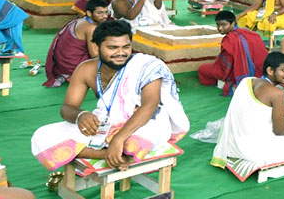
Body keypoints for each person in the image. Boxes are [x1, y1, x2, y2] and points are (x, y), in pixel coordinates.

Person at [32, 20, 190, 171]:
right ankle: (111, 154)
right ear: (96, 47)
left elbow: (150, 105)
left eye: (126, 47)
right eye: (113, 47)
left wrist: (119, 139)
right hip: (106, 122)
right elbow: (68, 107)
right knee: (42, 136)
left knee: (136, 142)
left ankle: (118, 149)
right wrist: (80, 115)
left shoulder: (147, 66)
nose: (120, 53)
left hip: (145, 123)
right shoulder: (85, 69)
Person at [209, 51, 284, 177]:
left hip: (232, 145)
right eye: (283, 70)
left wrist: (283, 124)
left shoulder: (246, 81)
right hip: (256, 151)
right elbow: (279, 131)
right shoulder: (277, 94)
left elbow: (253, 117)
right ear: (270, 71)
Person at [197, 10, 268, 96]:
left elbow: (226, 66)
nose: (220, 28)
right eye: (218, 25)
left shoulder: (229, 39)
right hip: (261, 72)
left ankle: (226, 84)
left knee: (202, 69)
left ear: (233, 24)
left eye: (223, 25)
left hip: (237, 74)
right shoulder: (251, 33)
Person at [44, 0, 111, 88]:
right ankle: (77, 75)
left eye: (106, 12)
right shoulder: (91, 27)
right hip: (71, 65)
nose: (105, 16)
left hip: (61, 64)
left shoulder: (80, 20)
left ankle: (68, 74)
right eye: (100, 13)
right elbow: (94, 54)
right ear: (89, 13)